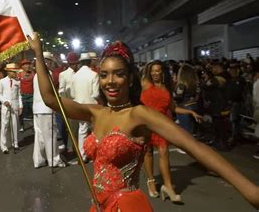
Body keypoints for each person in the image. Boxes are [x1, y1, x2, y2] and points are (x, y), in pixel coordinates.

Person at [28, 33, 259, 211]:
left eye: (119, 74)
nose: (110, 81)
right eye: (104, 74)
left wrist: (250, 190)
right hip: (99, 205)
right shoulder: (96, 113)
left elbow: (194, 146)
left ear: (130, 79)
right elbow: (50, 99)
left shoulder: (139, 115)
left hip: (127, 206)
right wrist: (38, 55)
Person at [141, 60, 202, 203]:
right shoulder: (144, 84)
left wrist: (190, 112)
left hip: (161, 124)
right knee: (148, 152)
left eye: (158, 70)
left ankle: (168, 186)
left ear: (162, 72)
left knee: (164, 152)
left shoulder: (167, 88)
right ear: (149, 72)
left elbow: (173, 108)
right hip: (146, 123)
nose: (155, 73)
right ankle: (150, 181)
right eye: (153, 70)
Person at [32, 62, 65, 168]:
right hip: (46, 108)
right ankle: (54, 160)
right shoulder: (47, 73)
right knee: (50, 136)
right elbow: (50, 91)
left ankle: (38, 160)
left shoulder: (36, 75)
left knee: (39, 136)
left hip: (37, 108)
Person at [70, 52, 100, 162]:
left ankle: (82, 155)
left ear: (80, 63)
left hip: (79, 105)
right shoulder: (94, 75)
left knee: (82, 131)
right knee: (94, 130)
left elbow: (73, 94)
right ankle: (94, 153)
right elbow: (96, 94)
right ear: (89, 62)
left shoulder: (75, 76)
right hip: (92, 106)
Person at [0, 63, 22, 153]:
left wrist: (20, 106)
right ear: (9, 72)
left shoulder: (18, 81)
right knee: (5, 126)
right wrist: (4, 101)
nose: (16, 73)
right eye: (14, 72)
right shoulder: (2, 81)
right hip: (5, 107)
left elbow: (19, 95)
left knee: (15, 125)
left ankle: (15, 144)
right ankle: (4, 147)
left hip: (15, 106)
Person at [57, 52, 79, 152]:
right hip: (70, 103)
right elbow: (61, 90)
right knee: (71, 128)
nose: (75, 65)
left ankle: (78, 147)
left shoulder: (79, 73)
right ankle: (72, 148)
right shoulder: (63, 75)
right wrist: (65, 103)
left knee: (79, 128)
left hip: (80, 103)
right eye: (73, 63)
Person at [17, 59, 35, 132]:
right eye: (25, 64)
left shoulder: (33, 74)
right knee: (21, 112)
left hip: (32, 96)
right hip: (22, 96)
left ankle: (35, 126)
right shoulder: (19, 74)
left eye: (28, 64)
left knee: (34, 111)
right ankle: (21, 125)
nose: (27, 65)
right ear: (22, 66)